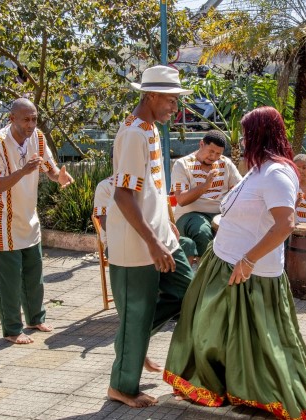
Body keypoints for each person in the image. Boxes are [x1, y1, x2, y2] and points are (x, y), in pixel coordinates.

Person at [163, 106, 306, 420]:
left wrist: (248, 261)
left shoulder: (275, 173)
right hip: (227, 261)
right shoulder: (260, 168)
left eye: (247, 135)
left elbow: (285, 224)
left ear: (260, 135)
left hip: (247, 271)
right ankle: (226, 382)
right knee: (217, 330)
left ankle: (251, 386)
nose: (243, 141)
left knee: (242, 336)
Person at [105, 65, 194, 408]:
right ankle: (122, 387)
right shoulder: (133, 134)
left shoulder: (151, 128)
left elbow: (152, 189)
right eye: (171, 100)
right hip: (137, 245)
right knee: (136, 313)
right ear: (152, 96)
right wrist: (153, 242)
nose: (175, 107)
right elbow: (123, 195)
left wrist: (166, 224)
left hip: (160, 236)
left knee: (187, 293)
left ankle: (133, 340)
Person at [0, 98, 73, 345]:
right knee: (9, 280)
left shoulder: (38, 138)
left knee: (34, 274)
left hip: (29, 216)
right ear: (12, 118)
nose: (31, 124)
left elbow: (50, 170)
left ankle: (35, 318)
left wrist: (59, 177)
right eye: (26, 119)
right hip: (4, 219)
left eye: (34, 119)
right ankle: (12, 329)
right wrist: (23, 171)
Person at [171, 130, 242, 262]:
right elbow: (181, 199)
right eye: (211, 151)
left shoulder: (225, 163)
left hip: (221, 213)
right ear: (201, 144)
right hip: (190, 215)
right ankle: (209, 270)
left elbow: (240, 189)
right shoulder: (182, 164)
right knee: (202, 231)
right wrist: (205, 185)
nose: (213, 156)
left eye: (218, 153)